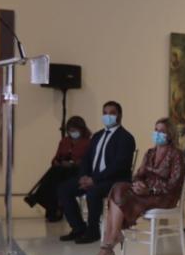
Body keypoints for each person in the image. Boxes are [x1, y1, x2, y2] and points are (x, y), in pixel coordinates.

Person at [85, 119, 185, 255]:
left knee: (119, 198)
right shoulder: (150, 153)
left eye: (161, 131)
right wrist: (138, 183)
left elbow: (174, 184)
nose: (157, 133)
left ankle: (108, 245)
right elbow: (139, 174)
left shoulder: (176, 154)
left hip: (164, 196)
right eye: (155, 130)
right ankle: (113, 238)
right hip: (145, 192)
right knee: (118, 187)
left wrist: (150, 189)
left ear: (170, 134)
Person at [58, 101, 137, 244]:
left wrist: (94, 179)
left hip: (115, 181)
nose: (108, 116)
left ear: (119, 115)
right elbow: (86, 159)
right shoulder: (97, 136)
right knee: (64, 189)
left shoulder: (126, 138)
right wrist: (83, 176)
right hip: (93, 177)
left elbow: (118, 166)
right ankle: (78, 228)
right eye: (105, 113)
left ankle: (93, 231)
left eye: (111, 113)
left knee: (93, 192)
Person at [24, 116, 92, 222]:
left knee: (56, 176)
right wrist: (56, 162)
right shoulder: (64, 141)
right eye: (70, 130)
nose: (72, 132)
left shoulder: (87, 143)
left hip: (76, 170)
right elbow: (56, 157)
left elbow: (87, 161)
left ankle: (40, 198)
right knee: (55, 173)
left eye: (74, 130)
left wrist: (73, 164)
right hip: (61, 169)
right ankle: (53, 206)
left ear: (81, 129)